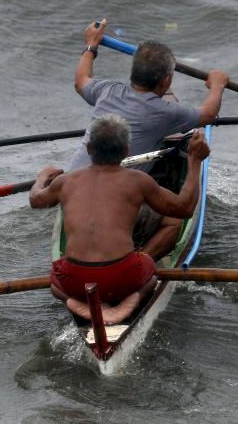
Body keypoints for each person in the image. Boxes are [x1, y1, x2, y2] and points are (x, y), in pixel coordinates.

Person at [66, 17, 229, 260]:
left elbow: (81, 81)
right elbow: (207, 114)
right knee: (175, 218)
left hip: (73, 194)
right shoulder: (165, 112)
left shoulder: (106, 90)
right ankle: (139, 263)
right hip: (112, 204)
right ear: (166, 81)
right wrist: (217, 84)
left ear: (133, 74)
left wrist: (91, 45)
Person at [30, 115, 210, 325]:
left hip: (76, 281)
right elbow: (185, 208)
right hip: (123, 279)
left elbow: (36, 200)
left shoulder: (64, 181)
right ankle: (133, 298)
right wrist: (194, 161)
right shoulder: (138, 181)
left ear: (89, 149)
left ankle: (74, 300)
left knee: (55, 283)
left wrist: (42, 177)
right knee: (150, 273)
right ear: (126, 151)